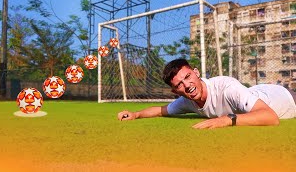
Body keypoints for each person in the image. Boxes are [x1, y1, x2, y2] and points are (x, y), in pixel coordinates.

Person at [117, 59, 296, 129]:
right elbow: (160, 110)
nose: (187, 85)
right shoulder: (186, 101)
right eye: (179, 84)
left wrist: (226, 119)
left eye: (188, 76)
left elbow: (271, 117)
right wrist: (136, 114)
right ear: (175, 91)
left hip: (285, 97)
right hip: (259, 92)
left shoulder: (226, 87)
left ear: (196, 72)